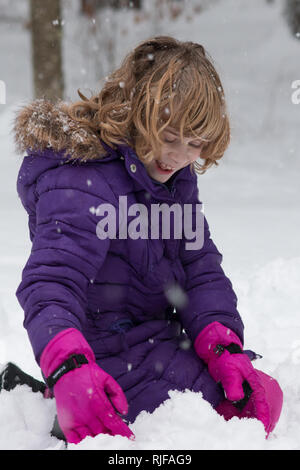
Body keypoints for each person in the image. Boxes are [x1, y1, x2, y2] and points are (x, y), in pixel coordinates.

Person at [10, 36, 282, 445]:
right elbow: (52, 282)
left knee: (256, 396)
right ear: (137, 113)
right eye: (169, 136)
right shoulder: (83, 181)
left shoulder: (172, 178)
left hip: (157, 340)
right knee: (215, 420)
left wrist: (220, 344)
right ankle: (62, 407)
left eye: (194, 144)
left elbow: (198, 268)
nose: (177, 156)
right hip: (100, 354)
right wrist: (68, 367)